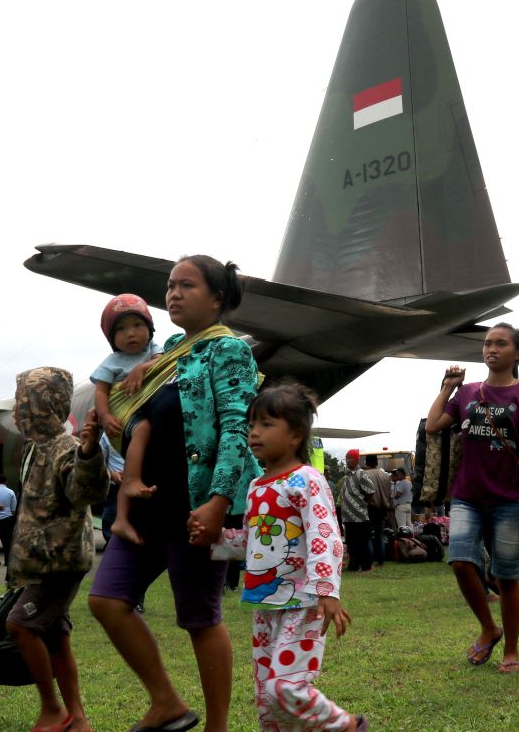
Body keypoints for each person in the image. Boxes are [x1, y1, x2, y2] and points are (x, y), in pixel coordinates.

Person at [88, 254, 261, 732]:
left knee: (200, 619)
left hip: (196, 506)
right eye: (169, 286)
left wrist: (220, 501)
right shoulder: (167, 351)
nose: (173, 295)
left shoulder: (229, 351)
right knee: (106, 600)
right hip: (146, 504)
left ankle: (217, 728)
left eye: (186, 286)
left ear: (217, 298)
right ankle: (166, 701)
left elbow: (235, 428)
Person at [210, 382, 364, 732]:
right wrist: (212, 540)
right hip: (266, 605)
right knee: (267, 697)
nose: (254, 432)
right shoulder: (256, 486)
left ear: (295, 435)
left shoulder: (307, 480)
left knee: (286, 688)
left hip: (304, 602)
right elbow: (252, 543)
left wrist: (327, 590)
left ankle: (349, 726)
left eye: (266, 424)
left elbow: (326, 535)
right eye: (252, 424)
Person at [424, 323, 519, 674]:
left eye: (501, 344)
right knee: (459, 561)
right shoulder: (468, 392)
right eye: (487, 343)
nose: (491, 349)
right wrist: (447, 388)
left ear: (517, 353)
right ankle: (489, 626)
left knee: (506, 576)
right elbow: (433, 425)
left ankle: (512, 651)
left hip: (510, 497)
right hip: (467, 495)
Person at [6, 367, 110, 732]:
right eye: (20, 403)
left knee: (19, 625)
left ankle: (52, 709)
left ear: (48, 404)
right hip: (41, 561)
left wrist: (88, 452)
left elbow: (87, 492)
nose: (20, 411)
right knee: (56, 636)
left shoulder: (65, 448)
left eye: (28, 403)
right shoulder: (36, 449)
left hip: (59, 560)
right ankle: (78, 719)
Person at [92, 293, 163, 546]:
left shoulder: (155, 351)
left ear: (149, 329)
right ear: (111, 338)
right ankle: (121, 514)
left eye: (137, 325)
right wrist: (104, 415)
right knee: (141, 431)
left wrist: (142, 368)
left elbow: (162, 362)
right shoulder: (111, 362)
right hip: (130, 418)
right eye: (120, 329)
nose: (130, 333)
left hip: (153, 413)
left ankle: (124, 518)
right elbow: (101, 391)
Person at [339, 459, 374, 572]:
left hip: (359, 515)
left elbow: (371, 491)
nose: (347, 461)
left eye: (349, 458)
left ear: (356, 460)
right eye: (346, 458)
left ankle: (366, 565)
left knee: (362, 541)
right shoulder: (348, 476)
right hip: (348, 517)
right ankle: (354, 564)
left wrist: (362, 503)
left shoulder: (362, 474)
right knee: (351, 542)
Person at [362, 454, 393, 564]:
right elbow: (390, 494)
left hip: (369, 508)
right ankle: (381, 560)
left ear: (366, 463)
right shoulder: (385, 475)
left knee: (367, 536)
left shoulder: (364, 474)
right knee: (380, 535)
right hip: (383, 508)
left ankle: (369, 561)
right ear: (377, 463)